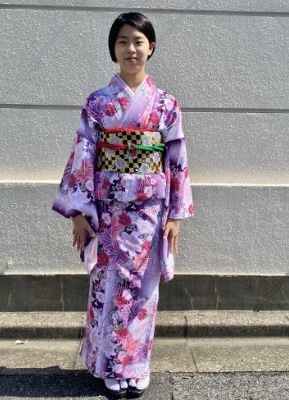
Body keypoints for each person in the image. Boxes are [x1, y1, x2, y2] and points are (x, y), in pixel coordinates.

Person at [52, 11, 193, 398]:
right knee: (110, 287)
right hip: (107, 213)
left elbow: (176, 159)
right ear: (113, 49)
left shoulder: (166, 104)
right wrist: (79, 214)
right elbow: (83, 156)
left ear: (151, 48)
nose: (131, 49)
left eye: (138, 41)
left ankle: (137, 366)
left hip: (149, 214)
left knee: (143, 292)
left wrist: (176, 215)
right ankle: (110, 365)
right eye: (122, 42)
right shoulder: (98, 103)